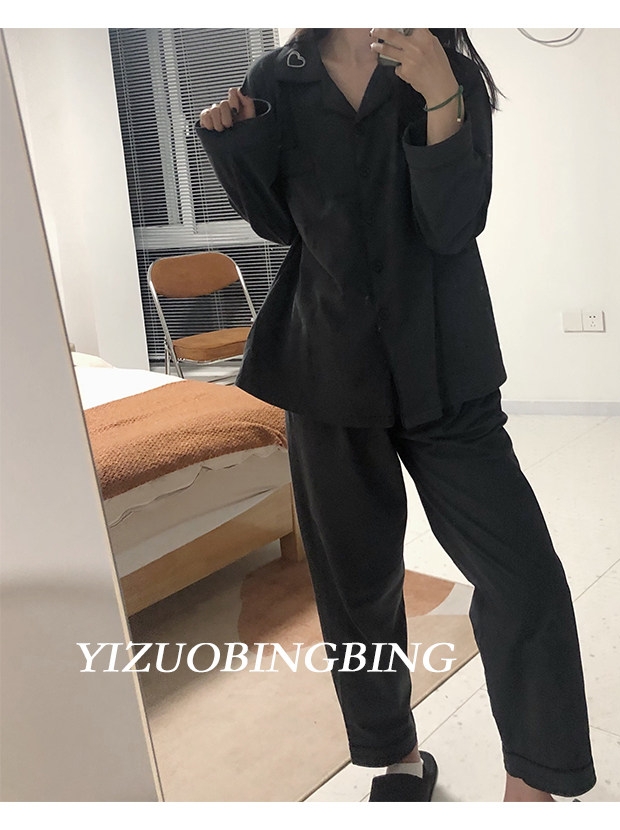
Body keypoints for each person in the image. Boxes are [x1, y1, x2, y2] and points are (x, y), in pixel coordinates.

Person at [197, 27, 596, 803]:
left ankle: (532, 785)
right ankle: (398, 758)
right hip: (326, 367)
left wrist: (441, 95)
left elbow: (453, 225)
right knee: (355, 584)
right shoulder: (279, 77)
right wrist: (231, 141)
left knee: (522, 575)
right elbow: (279, 225)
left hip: (445, 362)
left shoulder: (446, 68)